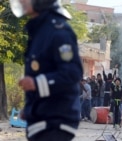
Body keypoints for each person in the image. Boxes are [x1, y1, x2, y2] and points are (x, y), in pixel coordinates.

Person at [13, 0, 83, 141]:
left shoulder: (58, 31)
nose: (21, 1)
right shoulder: (39, 31)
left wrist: (36, 83)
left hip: (56, 122)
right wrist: (30, 109)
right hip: (42, 121)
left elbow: (72, 73)